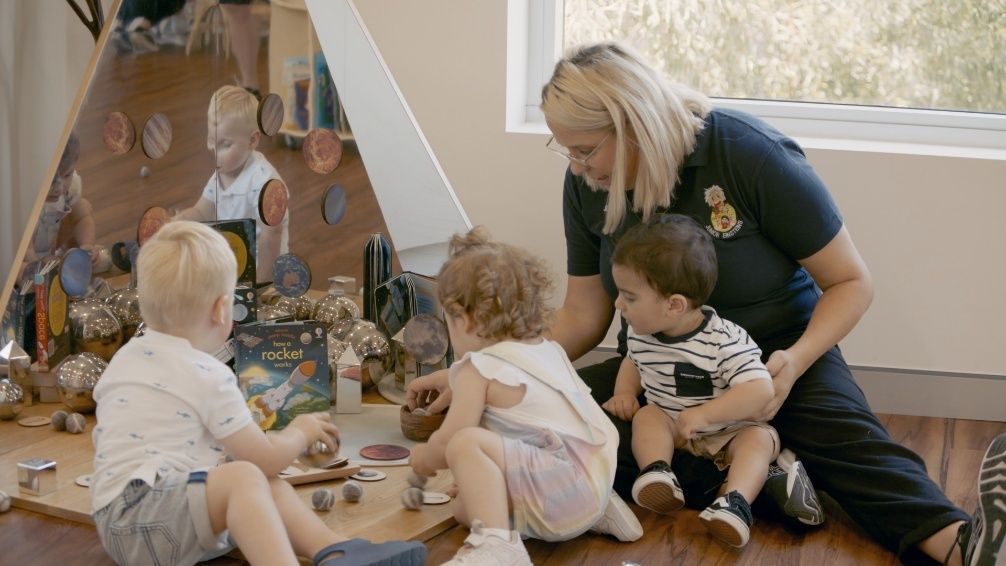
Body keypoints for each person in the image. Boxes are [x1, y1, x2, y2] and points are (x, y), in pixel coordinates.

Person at [409, 41, 1006, 564]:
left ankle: (963, 544)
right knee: (553, 425)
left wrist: (795, 362)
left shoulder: (748, 154)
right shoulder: (587, 187)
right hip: (656, 372)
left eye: (585, 149)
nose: (576, 165)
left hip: (774, 362)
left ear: (633, 124)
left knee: (852, 449)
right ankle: (761, 474)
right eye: (565, 150)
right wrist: (474, 373)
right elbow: (584, 317)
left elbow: (852, 282)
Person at [90, 221, 425, 566]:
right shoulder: (208, 375)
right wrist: (299, 432)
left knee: (255, 478)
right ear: (222, 310)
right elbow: (266, 457)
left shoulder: (124, 358)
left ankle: (335, 550)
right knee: (249, 474)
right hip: (148, 521)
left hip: (116, 522)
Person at [406, 227, 641, 565]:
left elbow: (450, 442)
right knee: (463, 506)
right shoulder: (547, 350)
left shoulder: (479, 367)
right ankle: (600, 511)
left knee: (464, 443)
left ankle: (498, 548)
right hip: (594, 480)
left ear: (466, 320)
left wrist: (426, 458)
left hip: (559, 495)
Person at [604, 214, 817, 548]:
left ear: (674, 305)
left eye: (629, 297)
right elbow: (633, 360)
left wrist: (706, 416)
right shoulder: (640, 332)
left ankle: (736, 503)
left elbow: (759, 388)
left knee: (759, 440)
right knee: (647, 416)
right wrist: (625, 392)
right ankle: (658, 471)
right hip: (674, 427)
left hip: (727, 435)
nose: (618, 304)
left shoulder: (723, 341)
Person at [175, 85, 288, 282]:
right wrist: (178, 221)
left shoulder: (264, 182)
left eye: (226, 145)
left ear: (252, 140)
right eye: (212, 141)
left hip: (267, 270)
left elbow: (272, 237)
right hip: (234, 263)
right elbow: (202, 212)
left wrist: (261, 284)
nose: (216, 153)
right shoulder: (221, 174)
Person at [22, 132, 97, 272]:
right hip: (21, 257)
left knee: (83, 206)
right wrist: (41, 266)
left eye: (67, 175)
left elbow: (82, 218)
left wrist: (87, 244)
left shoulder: (70, 188)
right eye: (51, 180)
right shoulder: (24, 200)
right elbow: (25, 249)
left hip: (48, 248)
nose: (60, 187)